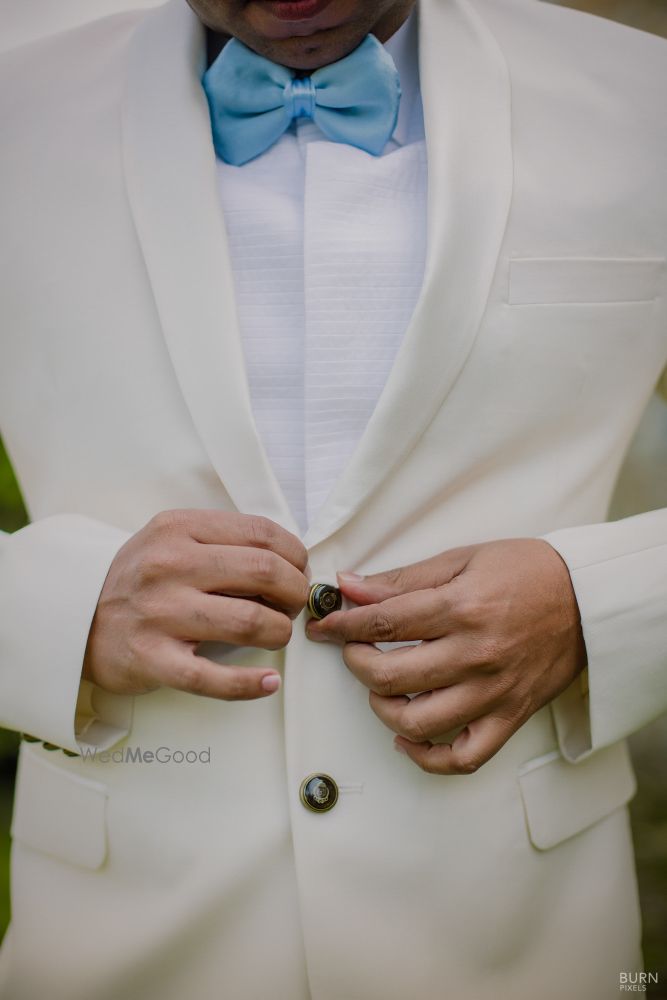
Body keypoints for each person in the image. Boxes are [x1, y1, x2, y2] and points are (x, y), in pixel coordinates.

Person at [0, 0, 666, 996]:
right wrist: (54, 614)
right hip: (119, 944)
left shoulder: (640, 101)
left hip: (523, 942)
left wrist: (597, 607)